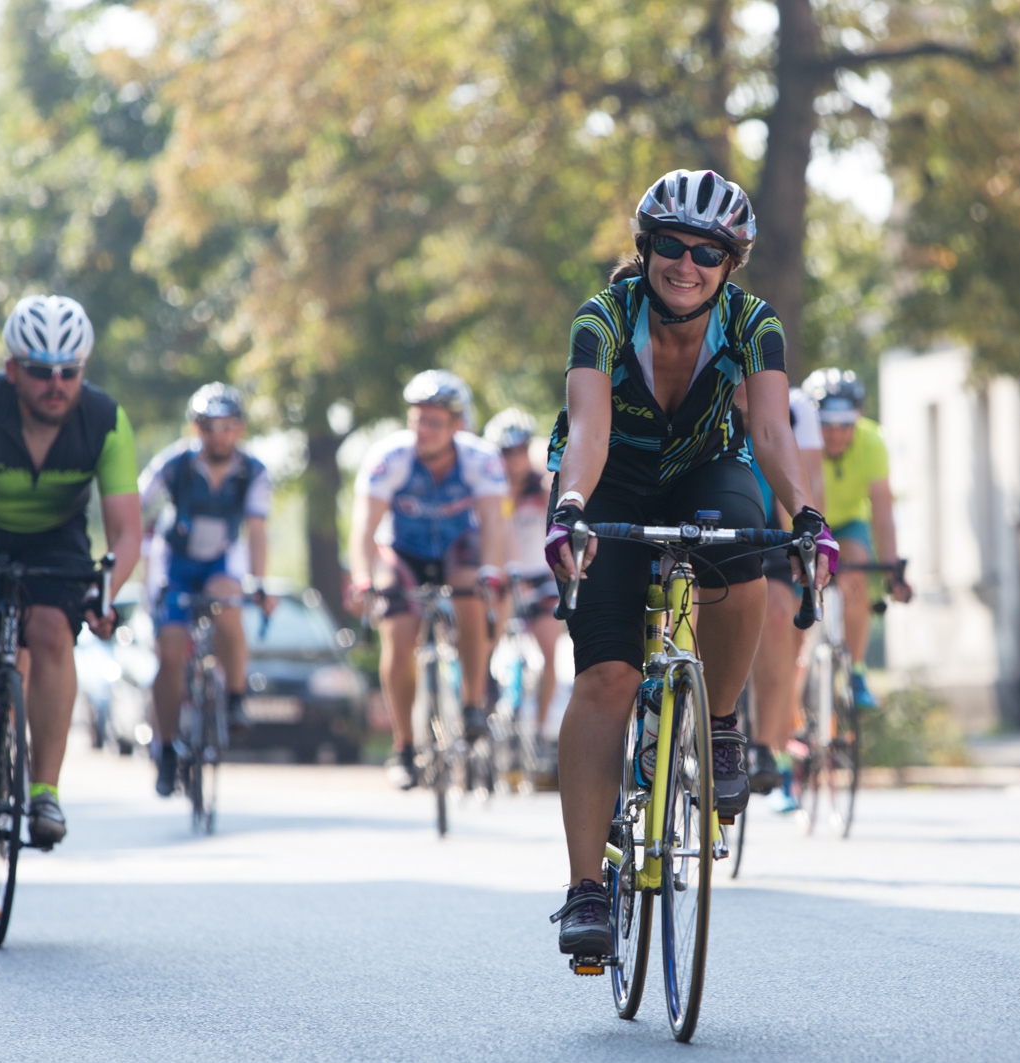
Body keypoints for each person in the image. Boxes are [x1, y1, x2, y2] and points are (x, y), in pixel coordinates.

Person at [544, 168, 836, 957]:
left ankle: (721, 723)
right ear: (646, 249)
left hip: (708, 469)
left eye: (707, 252)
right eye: (670, 245)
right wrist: (571, 507)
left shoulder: (753, 324)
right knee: (606, 677)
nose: (686, 264)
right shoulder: (604, 318)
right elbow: (589, 431)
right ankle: (584, 890)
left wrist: (809, 516)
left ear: (730, 263)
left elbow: (771, 432)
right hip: (608, 478)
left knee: (746, 544)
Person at [0, 294, 141, 849]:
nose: (55, 384)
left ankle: (44, 791)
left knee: (52, 631)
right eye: (40, 372)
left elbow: (128, 532)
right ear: (12, 369)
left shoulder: (105, 420)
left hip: (55, 543)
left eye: (69, 372)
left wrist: (106, 594)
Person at [346, 370, 509, 790]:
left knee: (472, 591)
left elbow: (493, 524)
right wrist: (363, 577)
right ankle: (403, 747)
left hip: (458, 547)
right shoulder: (390, 457)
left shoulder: (480, 458)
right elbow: (365, 526)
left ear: (457, 425)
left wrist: (492, 572)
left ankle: (473, 702)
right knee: (398, 631)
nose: (423, 430)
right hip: (404, 550)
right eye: (417, 419)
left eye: (435, 422)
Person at [140, 383, 276, 797]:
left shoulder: (253, 472)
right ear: (196, 428)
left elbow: (256, 531)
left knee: (228, 604)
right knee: (170, 649)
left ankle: (235, 697)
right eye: (209, 427)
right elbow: (135, 502)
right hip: (175, 564)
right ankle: (164, 750)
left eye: (227, 427)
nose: (218, 436)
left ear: (240, 429)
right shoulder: (175, 464)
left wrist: (258, 582)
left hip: (218, 561)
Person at [802, 368, 913, 711]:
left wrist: (893, 569)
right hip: (806, 522)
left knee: (857, 573)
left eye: (845, 425)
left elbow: (882, 514)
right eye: (827, 424)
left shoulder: (872, 441)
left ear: (858, 420)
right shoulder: (800, 439)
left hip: (847, 523)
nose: (835, 434)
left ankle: (857, 670)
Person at [745, 384, 826, 810]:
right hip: (710, 511)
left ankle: (762, 745)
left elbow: (809, 480)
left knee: (778, 615)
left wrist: (813, 538)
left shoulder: (796, 407)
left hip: (770, 523)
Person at [483, 407, 564, 755]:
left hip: (541, 575)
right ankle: (483, 701)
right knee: (487, 642)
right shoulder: (488, 491)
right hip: (505, 576)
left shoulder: (541, 484)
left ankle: (544, 731)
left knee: (550, 651)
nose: (512, 459)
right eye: (505, 452)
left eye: (519, 450)